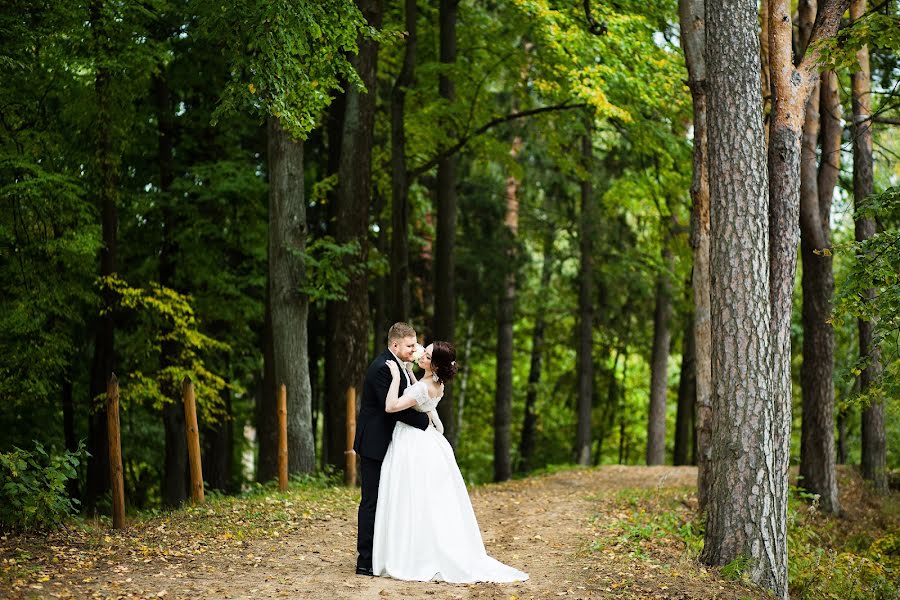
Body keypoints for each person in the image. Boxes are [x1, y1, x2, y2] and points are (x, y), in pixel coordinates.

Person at [372, 340, 529, 583]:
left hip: (412, 443)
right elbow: (423, 395)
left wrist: (395, 377)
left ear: (433, 364)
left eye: (427, 353)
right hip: (430, 442)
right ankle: (425, 547)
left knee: (410, 496)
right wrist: (412, 376)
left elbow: (391, 406)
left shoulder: (423, 387)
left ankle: (411, 553)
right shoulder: (437, 384)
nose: (421, 352)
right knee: (428, 499)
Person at [354, 322, 431, 577]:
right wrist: (425, 422)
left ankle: (384, 555)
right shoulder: (381, 369)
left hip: (392, 442)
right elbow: (395, 411)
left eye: (415, 344)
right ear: (395, 344)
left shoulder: (401, 366)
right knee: (372, 502)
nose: (414, 349)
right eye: (410, 345)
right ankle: (364, 561)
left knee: (389, 500)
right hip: (375, 443)